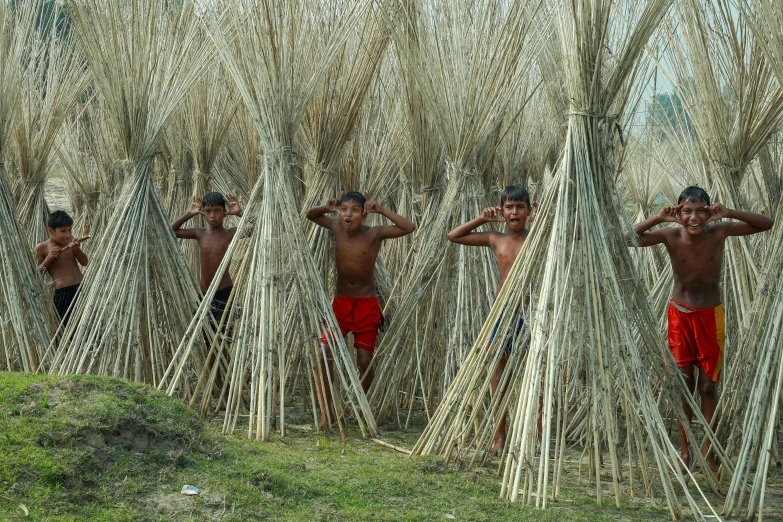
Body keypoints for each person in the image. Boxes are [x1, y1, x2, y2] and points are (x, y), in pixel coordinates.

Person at [627, 186, 773, 472]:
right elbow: (626, 240)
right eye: (687, 211)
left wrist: (728, 212)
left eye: (700, 211)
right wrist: (658, 218)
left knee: (708, 385)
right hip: (680, 316)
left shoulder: (719, 232)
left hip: (710, 316)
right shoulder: (670, 235)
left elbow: (765, 224)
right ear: (678, 213)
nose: (694, 218)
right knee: (684, 386)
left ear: (709, 213)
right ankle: (685, 452)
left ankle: (708, 451)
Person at [306, 191, 415, 429]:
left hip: (366, 306)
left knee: (364, 361)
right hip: (341, 305)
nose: (348, 214)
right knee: (325, 351)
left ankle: (361, 404)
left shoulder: (374, 234)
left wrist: (382, 210)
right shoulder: (336, 227)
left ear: (364, 214)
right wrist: (326, 207)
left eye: (355, 210)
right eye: (344, 209)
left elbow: (409, 227)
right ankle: (326, 412)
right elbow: (309, 215)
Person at [447, 185, 536, 453]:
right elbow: (454, 235)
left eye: (521, 207)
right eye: (509, 207)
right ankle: (500, 438)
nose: (515, 211)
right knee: (498, 376)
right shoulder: (496, 238)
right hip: (502, 314)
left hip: (531, 314)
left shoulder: (538, 237)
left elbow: (574, 234)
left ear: (529, 212)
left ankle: (538, 437)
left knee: (535, 375)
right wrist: (483, 219)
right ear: (502, 211)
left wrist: (548, 219)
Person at [172, 192, 243, 325]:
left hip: (225, 292)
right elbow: (170, 230)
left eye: (217, 211)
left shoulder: (231, 233)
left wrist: (239, 213)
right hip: (204, 292)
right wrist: (190, 213)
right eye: (208, 211)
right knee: (205, 333)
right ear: (202, 212)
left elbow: (260, 227)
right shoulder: (200, 233)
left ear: (225, 212)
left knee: (223, 334)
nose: (212, 216)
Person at [35, 210, 88, 326]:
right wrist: (48, 258)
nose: (68, 235)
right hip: (63, 294)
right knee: (65, 329)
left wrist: (76, 249)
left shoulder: (71, 242)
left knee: (88, 327)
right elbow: (37, 274)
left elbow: (84, 262)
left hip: (81, 289)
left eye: (70, 230)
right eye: (63, 231)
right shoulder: (42, 248)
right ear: (51, 231)